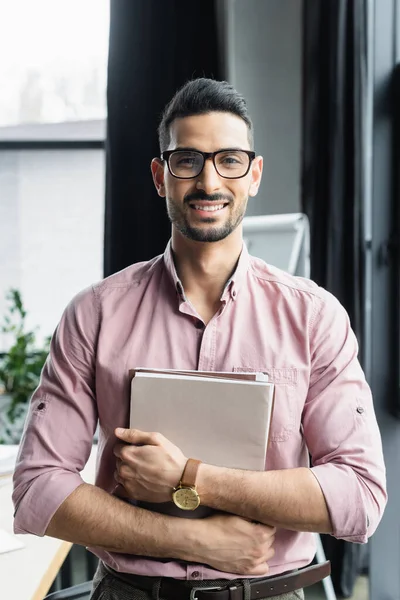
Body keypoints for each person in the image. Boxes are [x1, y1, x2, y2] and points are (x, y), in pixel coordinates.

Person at [13, 78, 387, 600]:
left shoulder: (315, 318)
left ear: (254, 175)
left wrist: (190, 477)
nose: (209, 181)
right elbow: (37, 489)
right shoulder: (93, 314)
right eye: (187, 160)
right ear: (159, 176)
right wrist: (194, 539)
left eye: (229, 159)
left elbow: (360, 496)